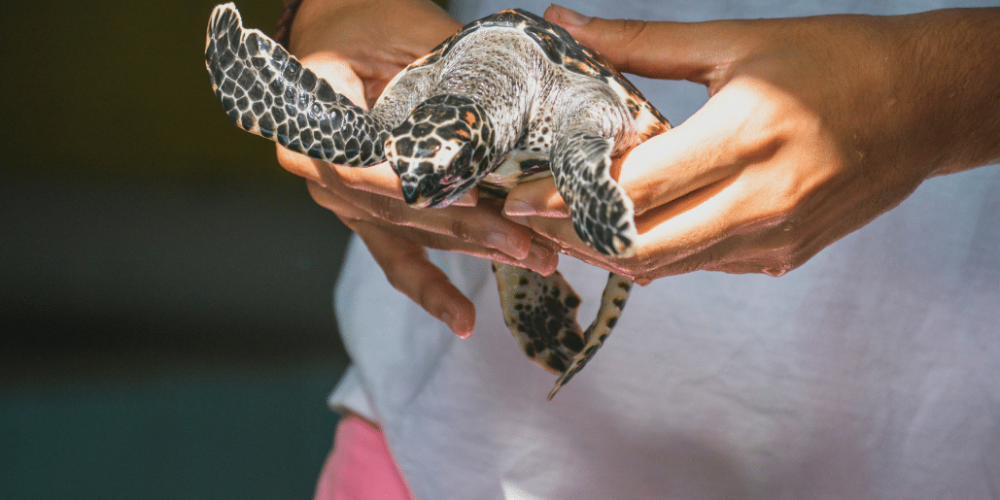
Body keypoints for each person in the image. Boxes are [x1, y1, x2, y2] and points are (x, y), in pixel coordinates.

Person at [274, 0, 1000, 498]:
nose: (424, 182)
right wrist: (330, 14)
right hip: (447, 446)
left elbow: (588, 115)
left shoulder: (581, 110)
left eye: (442, 170)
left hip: (939, 447)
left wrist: (951, 94)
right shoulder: (432, 107)